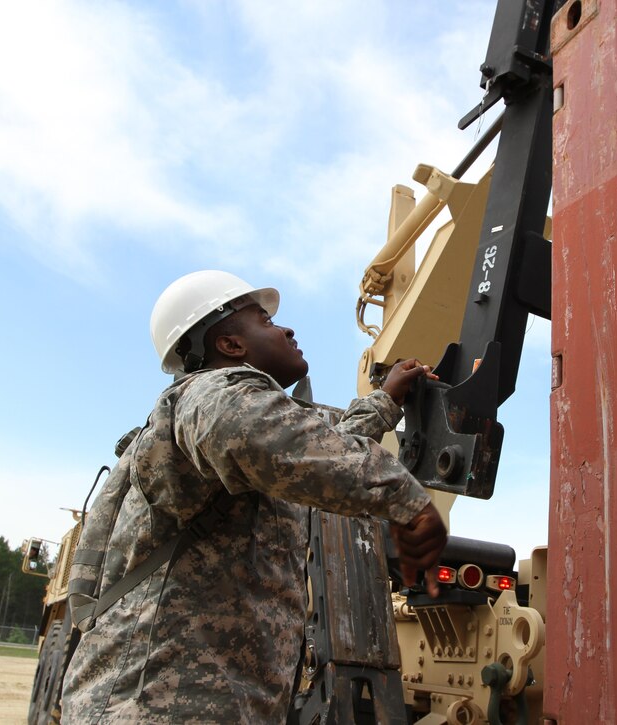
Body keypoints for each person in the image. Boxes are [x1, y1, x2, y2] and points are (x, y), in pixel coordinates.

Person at [61, 269, 446, 723]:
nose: (286, 328)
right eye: (264, 321)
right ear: (230, 346)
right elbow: (268, 439)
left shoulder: (234, 435)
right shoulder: (208, 395)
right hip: (155, 706)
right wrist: (407, 500)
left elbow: (313, 450)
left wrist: (384, 400)